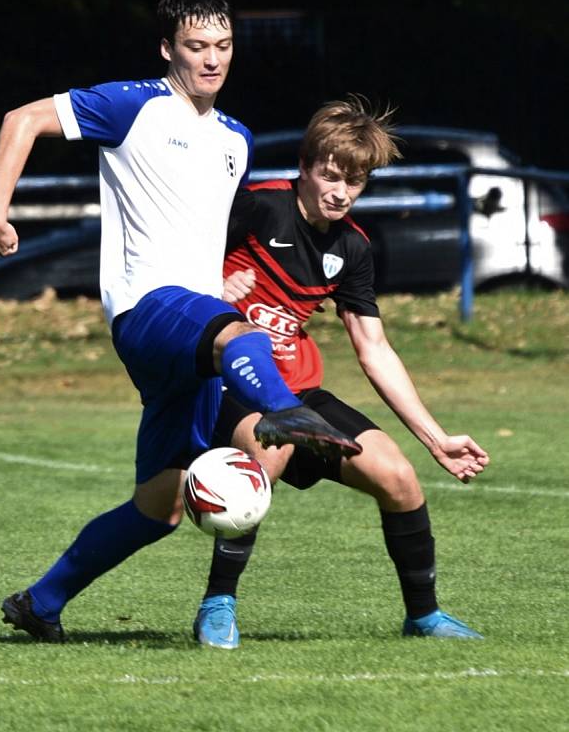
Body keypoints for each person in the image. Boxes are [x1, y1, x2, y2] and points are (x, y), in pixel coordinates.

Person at [0, 0, 359, 643]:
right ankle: (284, 411)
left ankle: (40, 601)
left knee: (159, 506)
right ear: (167, 49)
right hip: (147, 308)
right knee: (241, 339)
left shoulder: (235, 140)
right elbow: (23, 119)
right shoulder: (132, 105)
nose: (210, 59)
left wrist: (219, 285)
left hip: (187, 325)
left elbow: (195, 229)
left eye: (222, 45)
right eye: (194, 45)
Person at [192, 96, 490, 649]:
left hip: (300, 390)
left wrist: (436, 439)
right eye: (330, 176)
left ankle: (423, 616)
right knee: (273, 446)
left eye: (354, 182)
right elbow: (172, 263)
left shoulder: (353, 247)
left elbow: (373, 347)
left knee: (399, 480)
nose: (340, 192)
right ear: (304, 166)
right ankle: (217, 604)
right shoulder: (257, 207)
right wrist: (211, 288)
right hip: (228, 385)